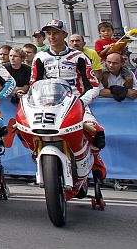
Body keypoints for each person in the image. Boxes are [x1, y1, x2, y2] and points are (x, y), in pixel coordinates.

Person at [30, 19, 106, 178]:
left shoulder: (79, 56)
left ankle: (96, 160)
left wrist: (81, 102)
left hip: (76, 103)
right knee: (23, 128)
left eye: (56, 33)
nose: (52, 36)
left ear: (64, 34)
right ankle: (37, 153)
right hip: (48, 105)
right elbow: (34, 84)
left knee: (96, 131)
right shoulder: (40, 57)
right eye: (49, 33)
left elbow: (93, 85)